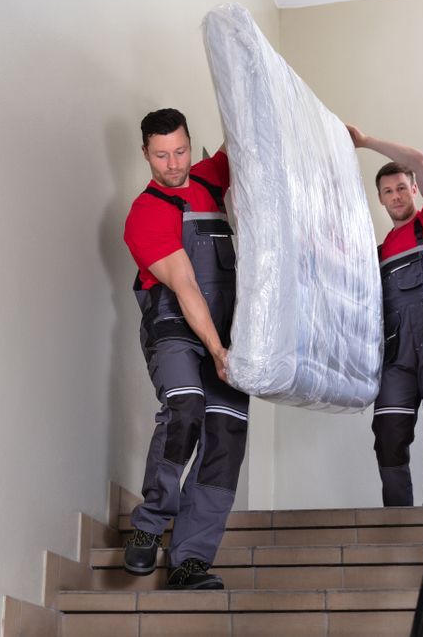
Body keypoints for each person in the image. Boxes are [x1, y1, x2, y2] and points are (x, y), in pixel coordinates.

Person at [122, 108, 249, 589]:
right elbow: (187, 285)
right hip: (176, 323)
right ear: (145, 155)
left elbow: (244, 140)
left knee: (225, 440)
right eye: (161, 155)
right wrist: (217, 352)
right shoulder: (146, 213)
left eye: (180, 151)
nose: (173, 164)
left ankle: (190, 561)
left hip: (227, 329)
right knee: (186, 407)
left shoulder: (209, 178)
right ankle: (150, 524)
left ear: (190, 145)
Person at [347, 124, 423, 507]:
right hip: (396, 357)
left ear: (414, 189)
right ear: (379, 199)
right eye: (387, 191)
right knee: (388, 438)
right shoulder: (376, 253)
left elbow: (422, 162)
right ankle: (398, 520)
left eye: (401, 187)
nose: (395, 195)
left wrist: (365, 143)